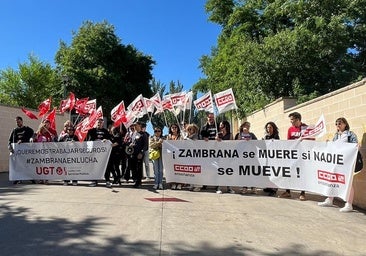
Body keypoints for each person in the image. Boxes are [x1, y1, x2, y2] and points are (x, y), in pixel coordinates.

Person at [318, 117, 359, 212]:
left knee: (348, 182)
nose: (338, 125)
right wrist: (329, 144)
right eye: (336, 124)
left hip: (347, 163)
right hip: (337, 162)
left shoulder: (350, 134)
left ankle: (349, 204)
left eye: (340, 123)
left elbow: (354, 145)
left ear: (345, 124)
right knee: (332, 179)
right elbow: (334, 147)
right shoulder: (336, 135)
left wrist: (356, 145)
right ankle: (329, 199)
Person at [279, 112, 313, 201]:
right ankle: (287, 191)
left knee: (302, 173)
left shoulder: (306, 128)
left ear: (298, 119)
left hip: (303, 155)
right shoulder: (290, 129)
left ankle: (302, 193)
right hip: (293, 155)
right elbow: (289, 142)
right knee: (289, 172)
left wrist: (304, 139)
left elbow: (312, 140)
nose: (291, 121)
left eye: (292, 119)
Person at [8, 116, 34, 184]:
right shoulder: (14, 131)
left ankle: (31, 178)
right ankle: (17, 178)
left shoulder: (27, 129)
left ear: (22, 121)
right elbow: (10, 141)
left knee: (27, 165)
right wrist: (10, 147)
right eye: (16, 122)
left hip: (26, 151)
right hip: (17, 152)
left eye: (19, 122)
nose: (18, 123)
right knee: (18, 165)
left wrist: (31, 138)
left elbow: (33, 134)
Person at [86, 118, 112, 187]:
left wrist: (105, 139)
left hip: (103, 153)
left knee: (106, 166)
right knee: (94, 166)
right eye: (98, 122)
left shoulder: (105, 131)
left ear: (103, 123)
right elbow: (89, 140)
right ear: (96, 122)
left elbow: (109, 140)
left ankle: (107, 180)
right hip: (94, 152)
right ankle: (94, 180)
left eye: (101, 122)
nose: (99, 123)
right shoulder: (92, 131)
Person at [235, 121, 258, 194]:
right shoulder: (238, 135)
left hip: (251, 156)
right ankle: (244, 187)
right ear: (242, 126)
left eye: (249, 126)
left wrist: (251, 140)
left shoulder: (252, 135)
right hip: (242, 157)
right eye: (246, 126)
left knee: (251, 172)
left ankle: (253, 187)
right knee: (244, 172)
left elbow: (257, 142)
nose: (247, 127)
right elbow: (235, 145)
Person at [215, 120, 235, 194]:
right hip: (220, 156)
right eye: (220, 126)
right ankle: (218, 187)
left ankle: (229, 187)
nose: (220, 127)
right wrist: (216, 139)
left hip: (228, 156)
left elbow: (231, 144)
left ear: (225, 126)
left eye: (221, 125)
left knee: (228, 171)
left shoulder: (230, 134)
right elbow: (215, 144)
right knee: (220, 171)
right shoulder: (218, 134)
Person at [262, 121, 280, 196]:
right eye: (267, 127)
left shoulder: (276, 136)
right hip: (267, 157)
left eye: (270, 127)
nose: (269, 129)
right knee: (268, 172)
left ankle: (274, 189)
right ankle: (269, 187)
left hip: (274, 158)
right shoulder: (266, 136)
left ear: (273, 128)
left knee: (274, 173)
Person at [128, 121, 148, 188]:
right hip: (133, 153)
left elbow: (146, 146)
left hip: (139, 154)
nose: (134, 127)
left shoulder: (144, 134)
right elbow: (134, 142)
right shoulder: (135, 134)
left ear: (139, 126)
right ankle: (135, 179)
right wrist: (131, 144)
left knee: (139, 168)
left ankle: (138, 182)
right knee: (133, 167)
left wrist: (141, 152)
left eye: (136, 125)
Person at [167, 123, 182, 190]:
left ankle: (179, 183)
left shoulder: (181, 136)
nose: (174, 128)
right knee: (172, 170)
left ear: (177, 128)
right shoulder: (169, 136)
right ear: (170, 129)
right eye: (172, 127)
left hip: (179, 155)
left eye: (175, 127)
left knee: (179, 169)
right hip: (171, 156)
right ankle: (173, 183)